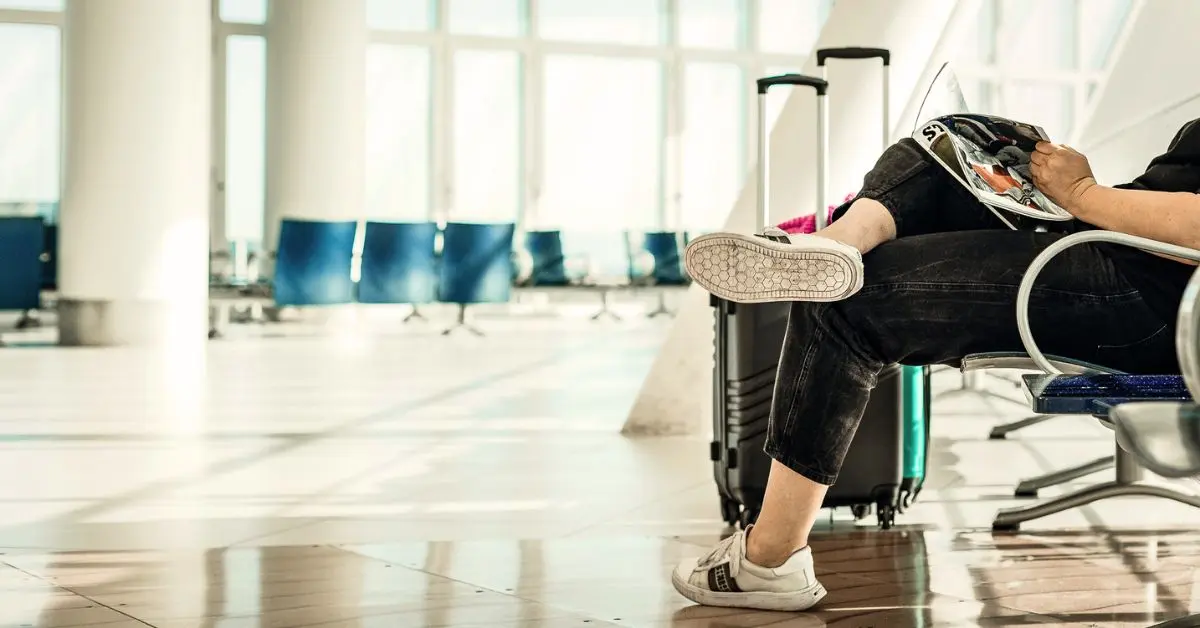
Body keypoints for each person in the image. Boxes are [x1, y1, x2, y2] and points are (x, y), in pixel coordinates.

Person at [672, 121, 1200, 612]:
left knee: (848, 304)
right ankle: (836, 243)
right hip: (1130, 255)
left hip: (1151, 301)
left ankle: (770, 559)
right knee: (956, 143)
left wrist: (1084, 195)